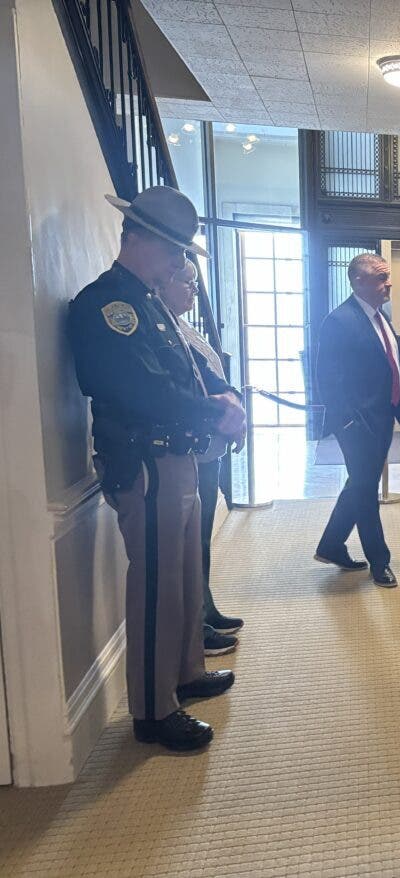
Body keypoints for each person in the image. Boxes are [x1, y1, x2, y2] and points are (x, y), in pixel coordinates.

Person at [68, 186, 244, 751]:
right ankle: (151, 709)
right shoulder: (107, 304)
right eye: (172, 248)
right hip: (147, 463)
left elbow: (191, 371)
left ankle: (186, 671)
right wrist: (214, 410)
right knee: (156, 585)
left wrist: (219, 398)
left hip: (179, 457)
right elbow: (142, 388)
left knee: (185, 575)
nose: (179, 261)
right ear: (137, 239)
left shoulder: (149, 304)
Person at [157, 260, 245, 657]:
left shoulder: (183, 327)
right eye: (187, 283)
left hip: (211, 448)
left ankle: (205, 607)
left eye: (195, 284)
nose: (194, 291)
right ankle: (198, 623)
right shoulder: (162, 330)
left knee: (201, 542)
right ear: (164, 281)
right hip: (190, 453)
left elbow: (215, 379)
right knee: (191, 546)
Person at [314, 253, 400, 587]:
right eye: (381, 277)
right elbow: (327, 379)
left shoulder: (380, 316)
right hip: (357, 424)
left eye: (388, 276)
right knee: (366, 489)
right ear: (358, 281)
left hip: (382, 416)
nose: (389, 283)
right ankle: (379, 561)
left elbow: (390, 362)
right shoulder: (339, 321)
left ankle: (330, 544)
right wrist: (347, 424)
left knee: (359, 483)